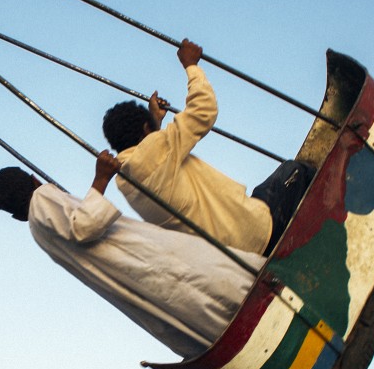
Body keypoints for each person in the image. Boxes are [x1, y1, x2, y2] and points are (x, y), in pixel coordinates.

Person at [0, 153, 264, 358]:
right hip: (140, 256)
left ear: (15, 216)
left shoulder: (38, 232)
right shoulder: (43, 197)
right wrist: (101, 177)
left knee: (189, 304)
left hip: (131, 275)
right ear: (35, 179)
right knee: (211, 276)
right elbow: (85, 225)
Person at [103, 38, 314, 257]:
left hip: (235, 257)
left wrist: (154, 124)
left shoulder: (127, 183)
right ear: (146, 129)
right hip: (257, 234)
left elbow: (152, 159)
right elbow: (204, 109)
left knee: (260, 193)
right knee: (296, 170)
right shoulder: (157, 149)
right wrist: (191, 66)